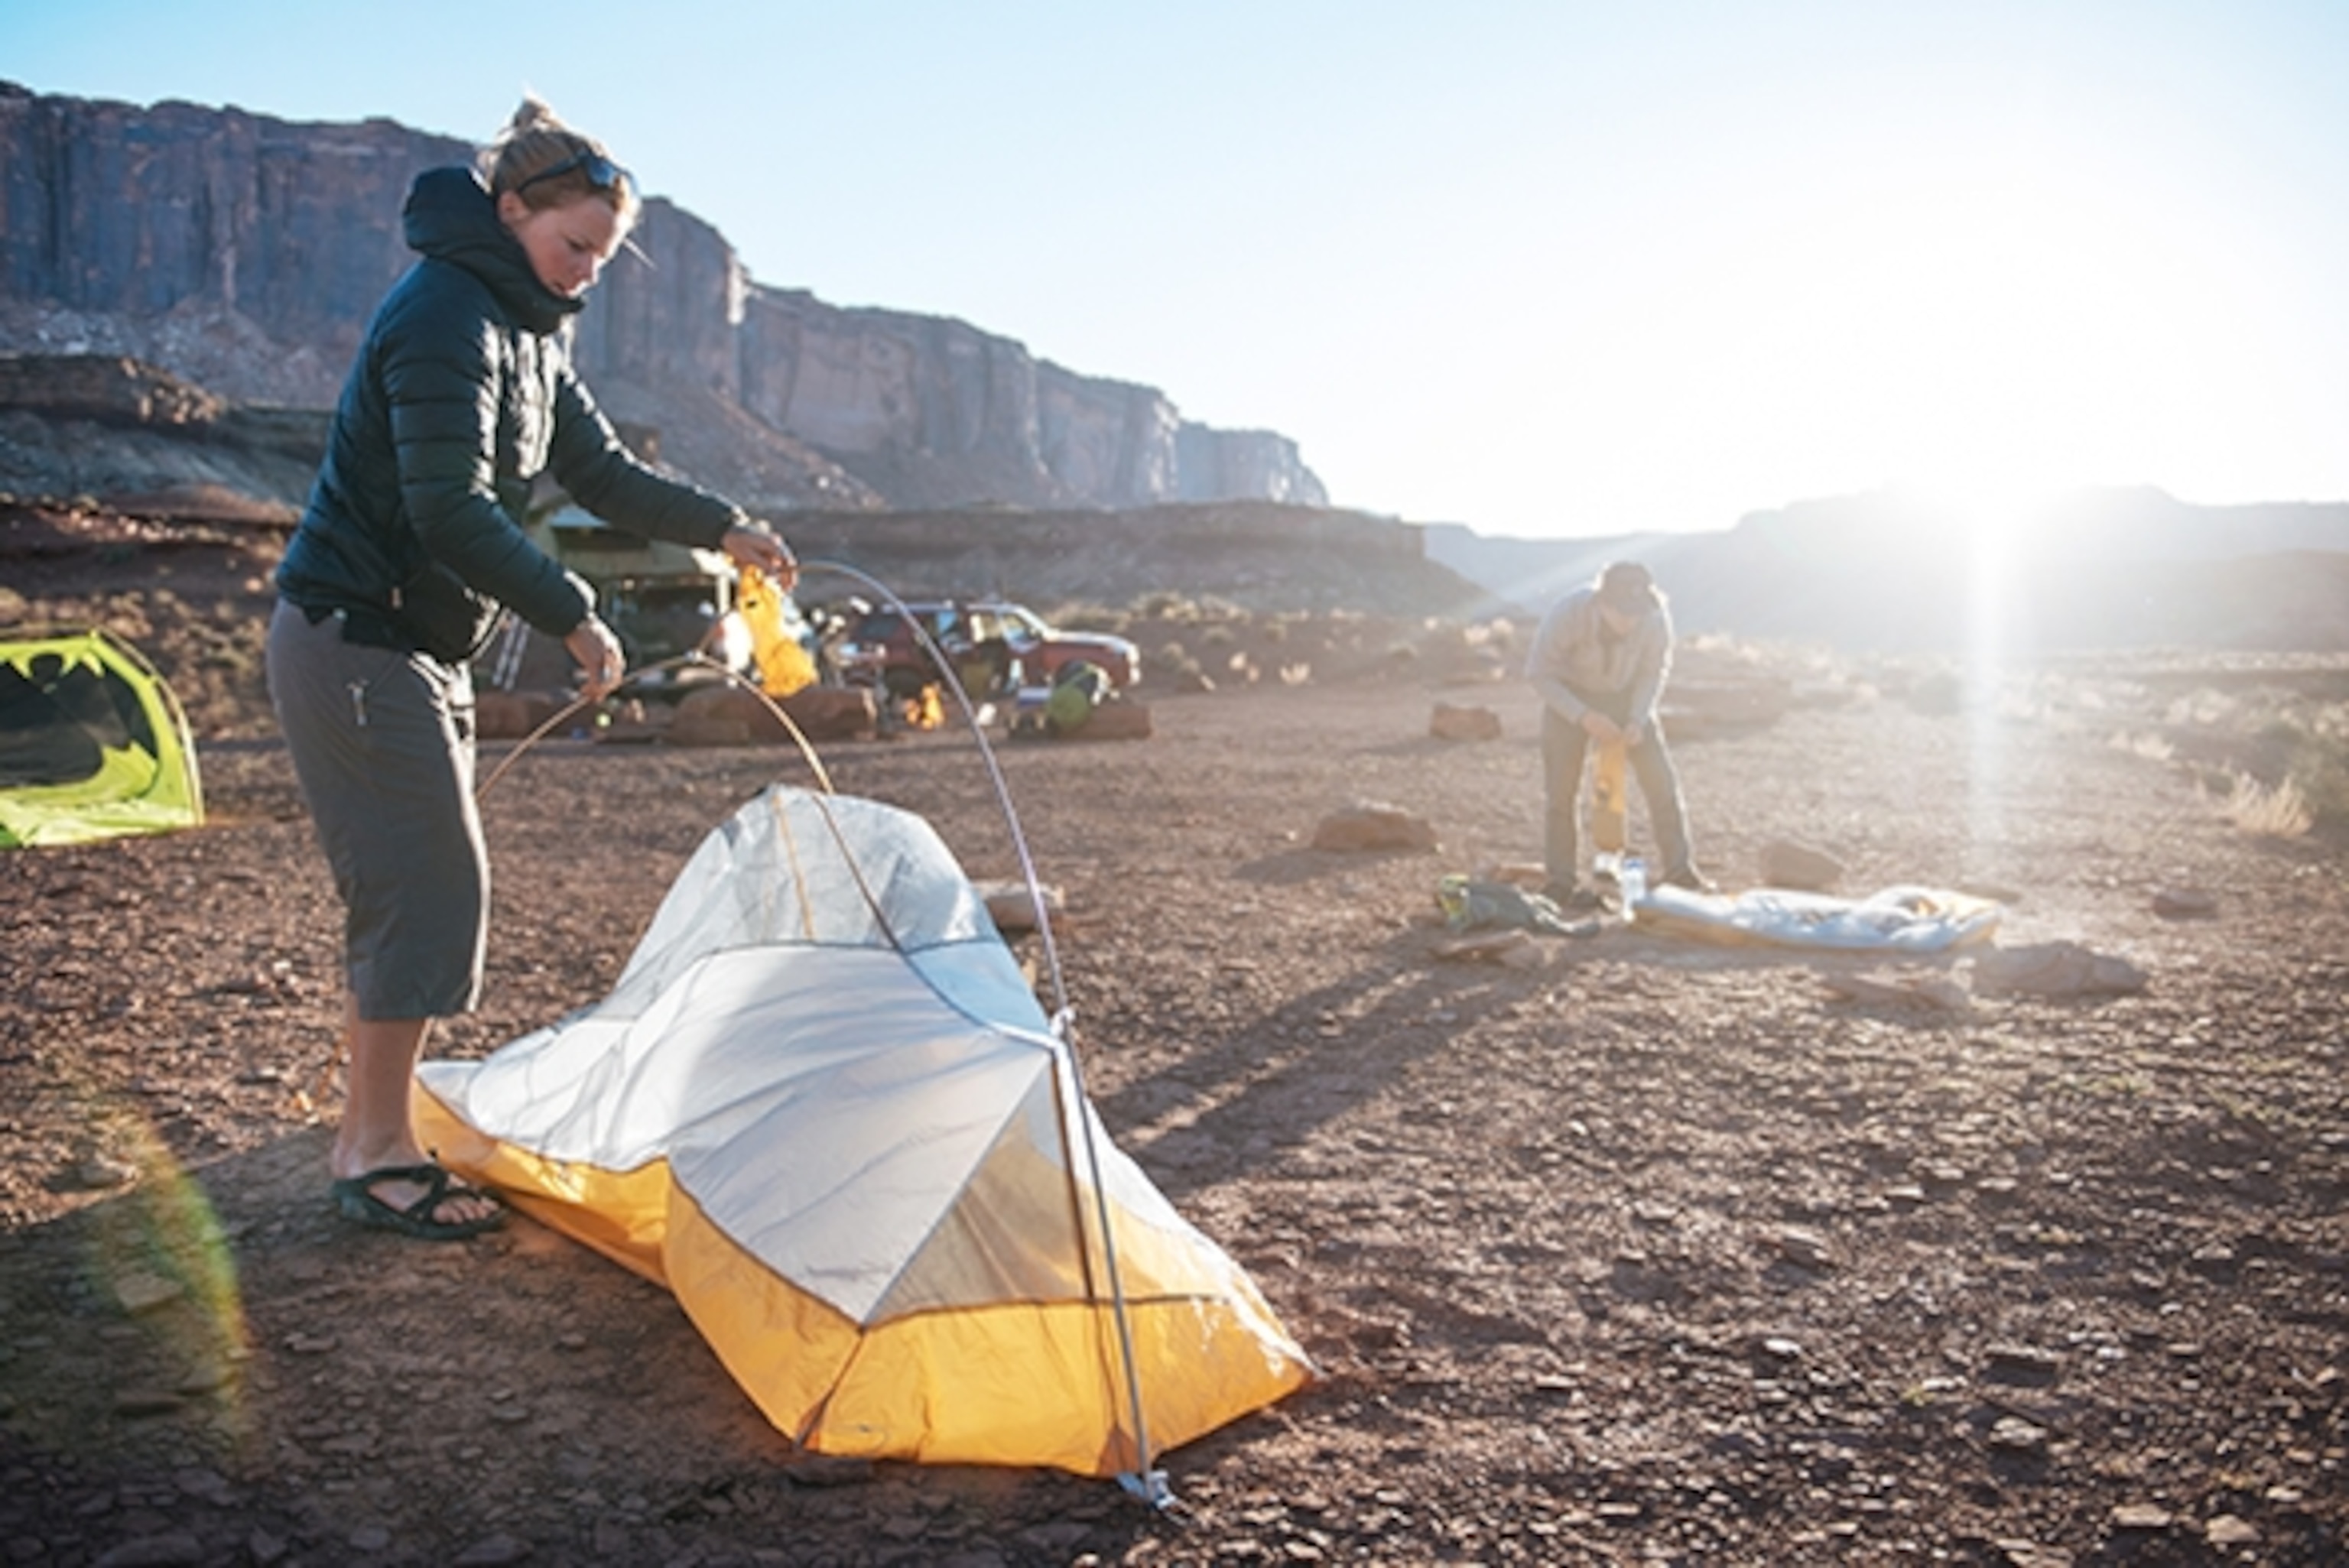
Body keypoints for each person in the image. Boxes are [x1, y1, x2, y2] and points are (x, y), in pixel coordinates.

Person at [266, 98, 798, 1241]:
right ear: (512, 211)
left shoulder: (528, 326)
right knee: (426, 882)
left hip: (416, 640)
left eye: (603, 259)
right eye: (575, 249)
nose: (587, 277)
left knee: (420, 882)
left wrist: (728, 526)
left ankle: (375, 1120)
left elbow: (600, 471)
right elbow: (445, 507)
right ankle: (371, 1149)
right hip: (354, 634)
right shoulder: (444, 316)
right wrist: (573, 613)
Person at [1524, 560, 1711, 907]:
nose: (1631, 622)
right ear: (1602, 601)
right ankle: (1561, 880)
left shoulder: (1654, 617)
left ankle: (1680, 871)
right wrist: (1583, 716)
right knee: (1561, 793)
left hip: (1627, 699)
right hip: (1570, 698)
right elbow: (1539, 673)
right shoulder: (1568, 613)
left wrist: (1639, 718)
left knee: (1662, 784)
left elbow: (1654, 671)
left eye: (1637, 612)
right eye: (1623, 613)